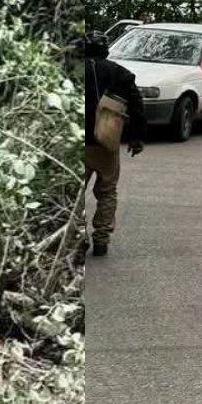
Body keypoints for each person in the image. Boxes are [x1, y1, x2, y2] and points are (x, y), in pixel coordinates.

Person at [78, 32, 146, 256]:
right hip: (106, 141)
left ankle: (78, 236)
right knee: (107, 191)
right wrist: (136, 138)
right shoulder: (121, 73)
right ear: (106, 50)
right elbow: (136, 106)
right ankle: (101, 239)